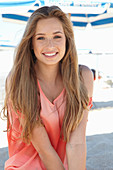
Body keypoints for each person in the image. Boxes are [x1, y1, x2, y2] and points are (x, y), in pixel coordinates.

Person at [1, 5, 93, 170]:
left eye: (57, 36)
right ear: (31, 43)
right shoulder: (18, 80)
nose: (50, 45)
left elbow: (77, 142)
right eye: (41, 38)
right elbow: (44, 150)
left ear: (67, 39)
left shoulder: (82, 77)